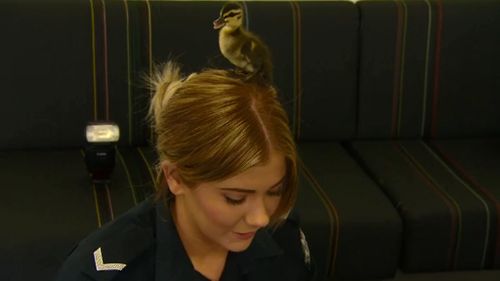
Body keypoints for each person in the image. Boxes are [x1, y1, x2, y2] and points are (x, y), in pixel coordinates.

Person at [54, 62, 315, 281]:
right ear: (175, 178)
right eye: (235, 198)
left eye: (274, 192)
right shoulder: (102, 273)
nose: (261, 219)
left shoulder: (284, 239)